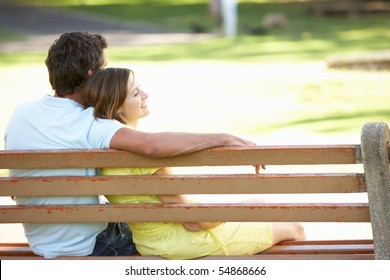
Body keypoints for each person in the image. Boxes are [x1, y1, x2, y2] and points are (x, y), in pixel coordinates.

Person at [3, 32, 261, 259]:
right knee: (166, 224)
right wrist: (223, 138)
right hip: (91, 246)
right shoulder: (90, 123)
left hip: (41, 241)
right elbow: (151, 146)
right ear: (92, 75)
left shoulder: (22, 112)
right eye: (105, 68)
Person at [81, 67, 307, 260]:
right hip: (182, 242)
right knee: (294, 227)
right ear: (117, 106)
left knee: (263, 205)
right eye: (135, 92)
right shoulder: (144, 157)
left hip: (153, 240)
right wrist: (244, 209)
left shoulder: (106, 152)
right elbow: (196, 222)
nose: (145, 94)